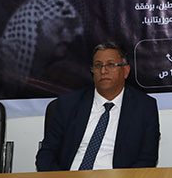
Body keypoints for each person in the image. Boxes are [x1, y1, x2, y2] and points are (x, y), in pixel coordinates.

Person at [36, 42, 160, 171]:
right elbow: (46, 155)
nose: (103, 71)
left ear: (125, 71)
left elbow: (147, 159)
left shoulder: (145, 107)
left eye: (111, 65)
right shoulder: (67, 105)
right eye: (98, 65)